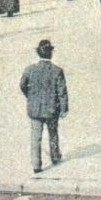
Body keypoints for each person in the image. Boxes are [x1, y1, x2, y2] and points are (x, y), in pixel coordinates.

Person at [19, 38, 69, 173]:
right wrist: (64, 108)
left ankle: (36, 165)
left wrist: (31, 97)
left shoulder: (30, 70)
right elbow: (62, 92)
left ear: (38, 53)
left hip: (34, 109)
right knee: (53, 134)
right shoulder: (57, 71)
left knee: (36, 137)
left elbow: (22, 85)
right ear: (51, 53)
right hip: (52, 109)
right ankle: (55, 156)